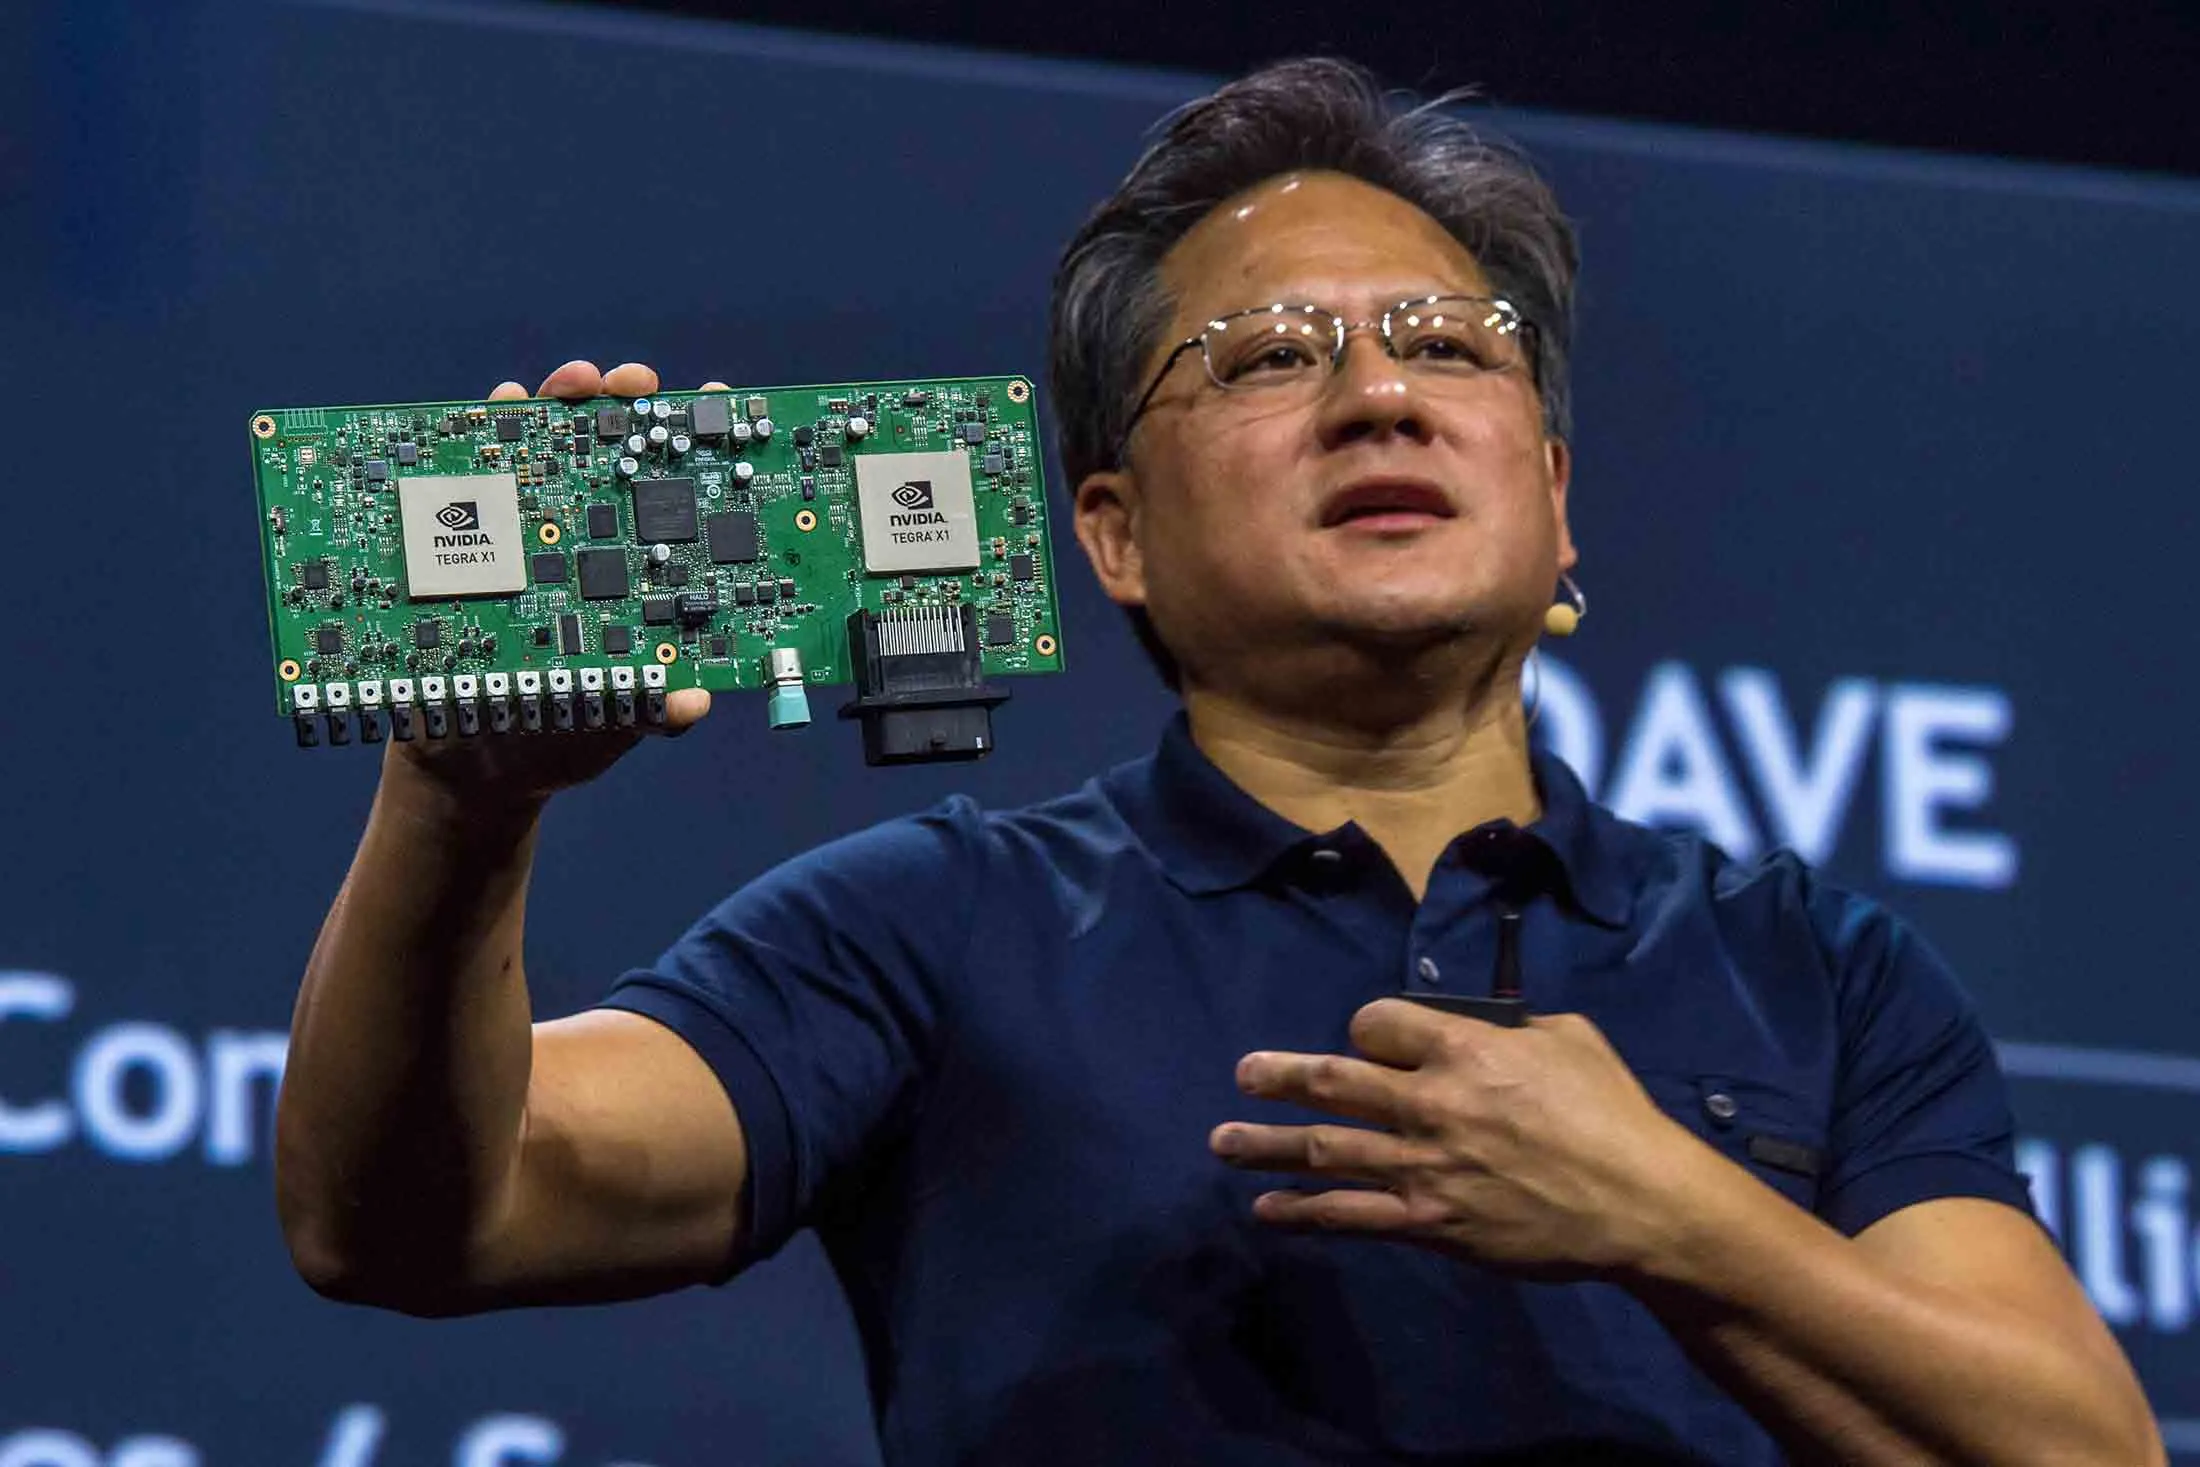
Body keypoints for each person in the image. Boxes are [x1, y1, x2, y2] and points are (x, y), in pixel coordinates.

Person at [274, 57, 2160, 1466]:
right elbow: (415, 1217)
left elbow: (2079, 1446)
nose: (1379, 391)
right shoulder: (937, 923)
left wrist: (1676, 1214)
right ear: (1113, 535)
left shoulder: (1812, 965)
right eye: (1264, 361)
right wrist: (468, 806)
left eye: (1449, 341)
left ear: (1560, 502)